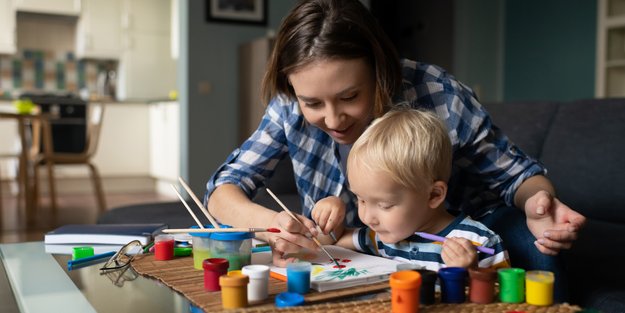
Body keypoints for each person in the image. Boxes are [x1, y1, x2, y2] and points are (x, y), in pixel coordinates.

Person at [205, 0, 585, 301]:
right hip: (363, 241)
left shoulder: (438, 93)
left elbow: (516, 175)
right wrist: (276, 227)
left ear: (380, 69)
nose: (334, 119)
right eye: (313, 104)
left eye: (349, 96)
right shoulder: (289, 104)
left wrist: (539, 202)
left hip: (457, 232)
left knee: (536, 252)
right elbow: (225, 188)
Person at [326, 108, 510, 271]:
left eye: (385, 205)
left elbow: (507, 298)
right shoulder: (380, 237)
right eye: (361, 200)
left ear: (434, 195)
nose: (367, 218)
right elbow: (330, 243)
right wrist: (329, 213)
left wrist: (469, 272)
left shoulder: (479, 241)